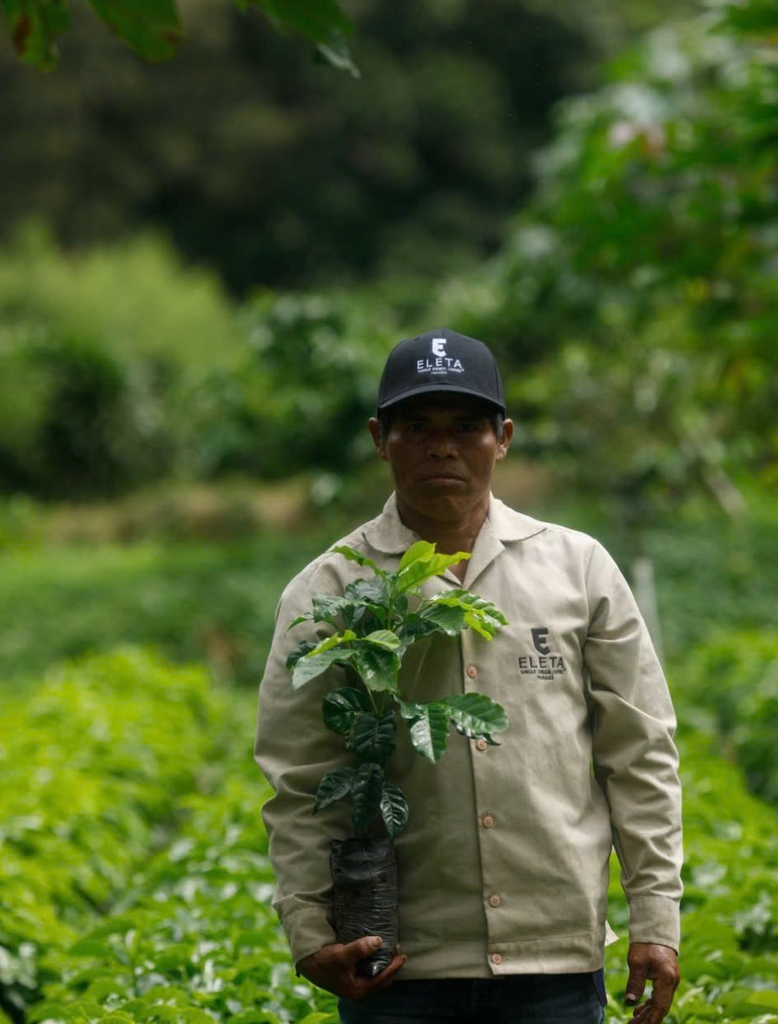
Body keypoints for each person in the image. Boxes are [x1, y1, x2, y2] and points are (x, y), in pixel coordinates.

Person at [255, 328, 683, 1024]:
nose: (442, 447)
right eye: (416, 427)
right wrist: (308, 931)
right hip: (396, 964)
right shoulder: (328, 591)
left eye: (466, 427)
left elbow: (640, 755)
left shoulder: (579, 569)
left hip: (556, 962)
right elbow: (302, 776)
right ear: (378, 438)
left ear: (503, 437)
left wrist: (656, 918)